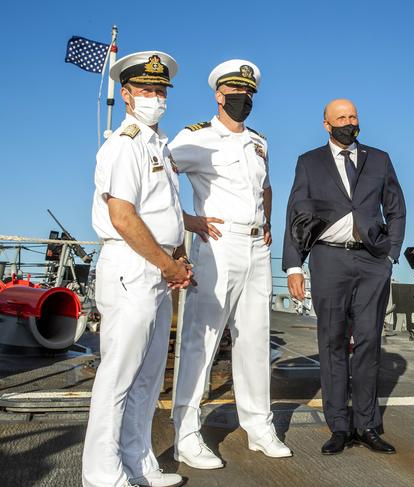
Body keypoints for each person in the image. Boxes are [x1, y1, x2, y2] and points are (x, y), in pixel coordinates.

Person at [169, 59, 291, 470]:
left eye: (249, 93)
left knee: (255, 340)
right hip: (218, 244)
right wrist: (188, 221)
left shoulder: (259, 142)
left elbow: (266, 186)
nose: (243, 99)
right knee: (200, 341)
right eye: (236, 93)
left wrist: (268, 222)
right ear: (219, 95)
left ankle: (259, 427)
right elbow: (155, 179)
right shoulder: (195, 137)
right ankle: (187, 433)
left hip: (257, 247)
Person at [83, 51, 192, 487]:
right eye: (146, 89)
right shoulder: (124, 143)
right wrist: (169, 265)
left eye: (160, 90)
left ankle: (137, 461)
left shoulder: (158, 144)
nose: (155, 97)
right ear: (126, 95)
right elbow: (123, 216)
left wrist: (177, 260)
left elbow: (166, 211)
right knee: (119, 378)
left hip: (158, 267)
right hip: (133, 266)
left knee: (147, 378)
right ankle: (102, 475)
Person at [282, 99, 406, 455]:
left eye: (353, 117)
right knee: (332, 342)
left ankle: (367, 425)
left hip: (371, 262)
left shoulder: (378, 159)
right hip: (328, 260)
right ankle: (339, 426)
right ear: (326, 124)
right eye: (341, 118)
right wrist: (294, 265)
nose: (348, 122)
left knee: (368, 342)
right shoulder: (309, 163)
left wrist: (390, 253)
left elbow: (396, 208)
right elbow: (296, 214)